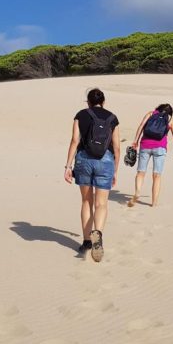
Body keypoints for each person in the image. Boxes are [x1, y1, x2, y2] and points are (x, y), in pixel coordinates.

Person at [64, 88, 120, 262]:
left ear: (87, 101)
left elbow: (75, 140)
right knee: (101, 203)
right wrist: (115, 171)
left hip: (84, 160)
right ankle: (98, 234)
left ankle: (87, 241)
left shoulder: (81, 115)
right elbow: (117, 147)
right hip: (106, 161)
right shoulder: (112, 118)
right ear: (103, 101)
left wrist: (68, 166)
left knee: (87, 201)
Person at [128, 103, 173, 208]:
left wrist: (135, 141)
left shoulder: (150, 114)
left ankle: (137, 192)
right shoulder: (170, 119)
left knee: (141, 172)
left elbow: (141, 126)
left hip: (145, 146)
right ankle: (154, 202)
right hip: (160, 148)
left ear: (158, 108)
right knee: (157, 176)